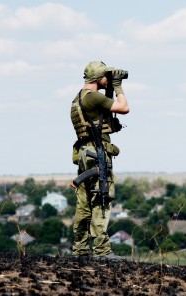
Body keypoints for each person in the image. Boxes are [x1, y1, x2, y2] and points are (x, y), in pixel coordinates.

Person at [70, 61, 129, 260]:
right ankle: (102, 251)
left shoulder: (80, 97)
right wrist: (118, 86)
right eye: (107, 76)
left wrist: (110, 87)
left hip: (85, 153)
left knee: (84, 201)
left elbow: (102, 117)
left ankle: (80, 249)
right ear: (98, 77)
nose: (109, 79)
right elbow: (124, 107)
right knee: (102, 197)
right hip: (97, 153)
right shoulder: (93, 97)